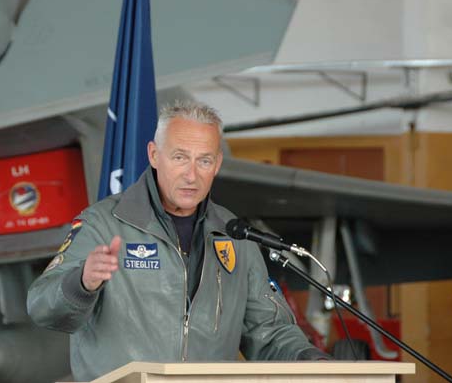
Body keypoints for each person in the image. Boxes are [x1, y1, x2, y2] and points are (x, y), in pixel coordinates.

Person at [27, 100, 327, 381]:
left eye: (204, 161)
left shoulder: (235, 235)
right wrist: (82, 283)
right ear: (154, 155)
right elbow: (42, 308)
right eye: (180, 157)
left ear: (217, 164)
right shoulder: (102, 225)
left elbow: (268, 332)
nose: (191, 175)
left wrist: (310, 359)